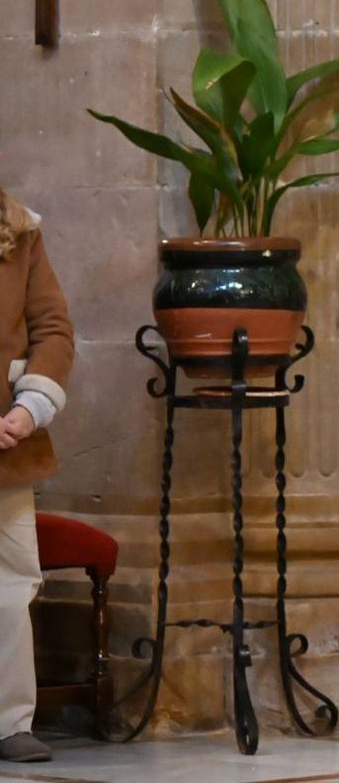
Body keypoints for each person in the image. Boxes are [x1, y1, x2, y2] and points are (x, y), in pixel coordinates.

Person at [0, 189, 74, 763]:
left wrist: (27, 410)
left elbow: (53, 329)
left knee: (10, 583)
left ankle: (9, 721)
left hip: (6, 445)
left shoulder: (18, 228)